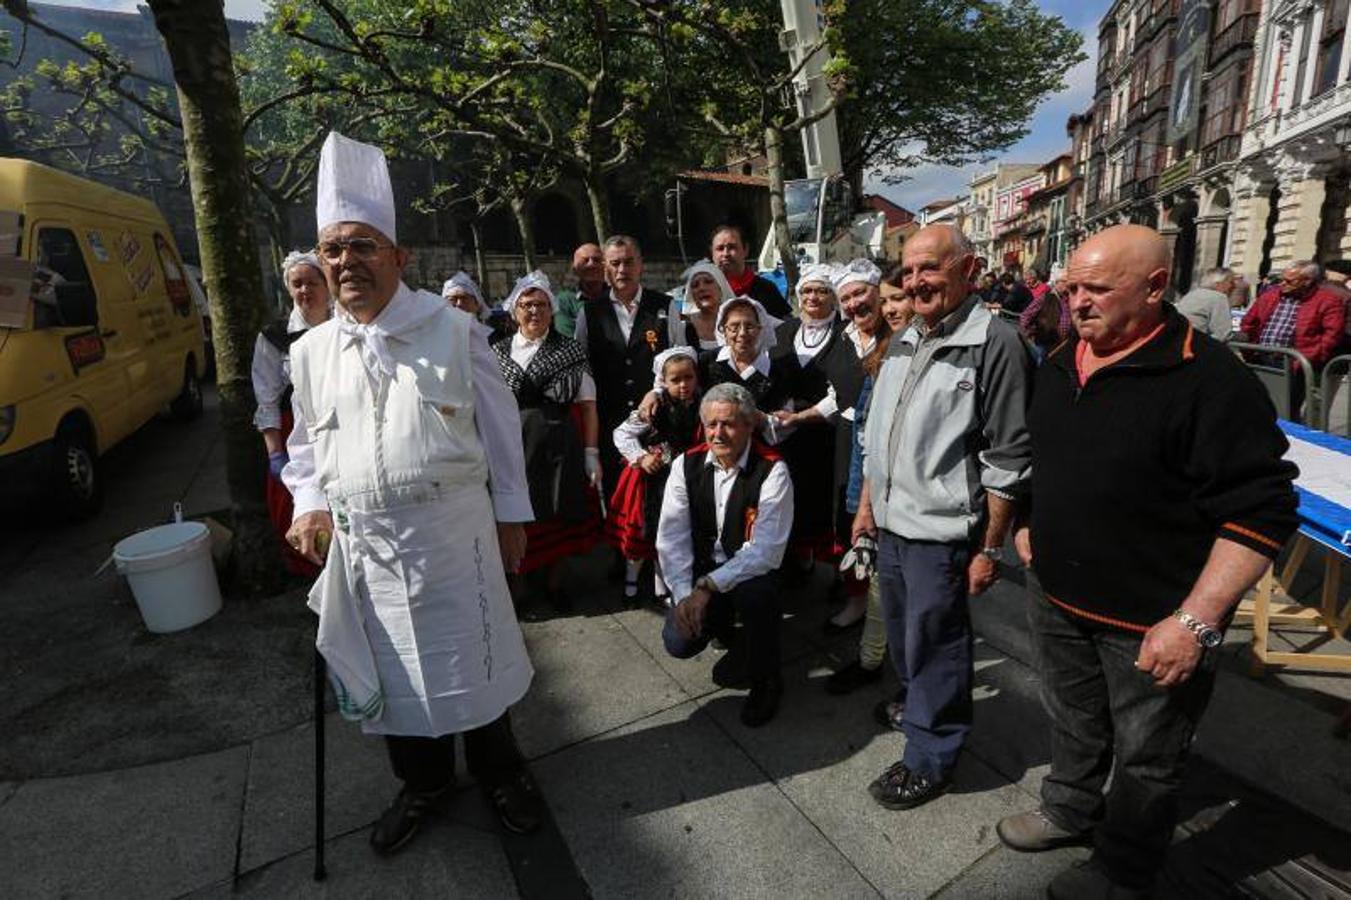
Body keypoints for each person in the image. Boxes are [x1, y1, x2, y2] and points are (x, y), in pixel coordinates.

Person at [997, 224, 1298, 899]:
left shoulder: (1208, 377)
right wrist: (1025, 522)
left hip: (1148, 618)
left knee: (1147, 757)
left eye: (1096, 289)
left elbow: (1261, 509)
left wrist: (1195, 621)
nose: (1075, 302)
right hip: (1057, 593)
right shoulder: (1058, 360)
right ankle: (1070, 809)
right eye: (1071, 287)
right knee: (1072, 718)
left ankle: (1124, 870)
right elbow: (1046, 459)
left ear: (1156, 287)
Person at [282, 132, 541, 855]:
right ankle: (423, 782)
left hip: (453, 537)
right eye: (332, 249)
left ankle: (501, 773)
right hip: (366, 548)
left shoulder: (455, 332)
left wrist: (512, 516)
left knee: (475, 664)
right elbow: (304, 447)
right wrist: (308, 504)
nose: (345, 262)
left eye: (362, 246)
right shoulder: (307, 352)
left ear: (399, 257)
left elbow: (500, 435)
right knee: (396, 681)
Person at [853, 223, 1032, 810]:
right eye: (908, 271)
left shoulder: (994, 342)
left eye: (930, 268)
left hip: (942, 534)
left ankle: (930, 758)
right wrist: (866, 509)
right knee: (908, 640)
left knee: (937, 644)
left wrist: (990, 548)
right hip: (894, 525)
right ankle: (918, 706)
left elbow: (1009, 455)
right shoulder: (906, 335)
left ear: (969, 270)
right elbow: (877, 436)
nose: (915, 281)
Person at [657, 381, 795, 727]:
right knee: (678, 641)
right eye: (711, 424)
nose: (718, 434)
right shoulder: (685, 465)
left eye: (729, 424)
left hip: (750, 571)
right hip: (704, 573)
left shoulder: (772, 469)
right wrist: (685, 597)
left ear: (749, 425)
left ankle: (767, 679)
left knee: (756, 595)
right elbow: (671, 538)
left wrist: (707, 588)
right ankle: (726, 629)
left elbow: (765, 550)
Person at [492, 271, 602, 611]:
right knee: (517, 514)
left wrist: (591, 453)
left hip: (558, 441)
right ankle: (519, 584)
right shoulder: (496, 351)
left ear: (552, 310)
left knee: (558, 514)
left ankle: (556, 584)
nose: (534, 311)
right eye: (526, 305)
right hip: (512, 444)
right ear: (514, 312)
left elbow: (587, 406)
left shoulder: (568, 349)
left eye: (541, 304)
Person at [826, 290, 912, 695]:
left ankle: (903, 675)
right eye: (891, 299)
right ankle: (871, 658)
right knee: (878, 577)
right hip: (877, 486)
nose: (894, 308)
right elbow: (871, 436)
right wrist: (864, 504)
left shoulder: (916, 353)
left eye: (901, 299)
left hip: (913, 496)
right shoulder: (885, 355)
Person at [574, 235, 685, 501]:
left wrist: (657, 391)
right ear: (605, 268)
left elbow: (678, 358)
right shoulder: (589, 313)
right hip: (609, 423)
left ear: (640, 265)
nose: (622, 270)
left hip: (658, 422)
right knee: (617, 499)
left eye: (628, 262)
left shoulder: (664, 306)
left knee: (663, 497)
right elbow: (582, 368)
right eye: (615, 263)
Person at [252, 250, 332, 577]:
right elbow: (267, 400)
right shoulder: (274, 337)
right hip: (293, 435)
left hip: (339, 428)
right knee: (298, 514)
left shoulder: (346, 327)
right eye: (297, 284)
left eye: (312, 282)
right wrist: (275, 454)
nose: (304, 291)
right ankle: (315, 577)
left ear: (327, 286)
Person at [766, 264, 847, 572]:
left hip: (825, 432)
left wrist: (801, 416)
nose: (814, 297)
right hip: (784, 433)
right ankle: (794, 560)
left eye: (822, 291)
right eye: (807, 291)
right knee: (788, 495)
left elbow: (844, 389)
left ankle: (829, 564)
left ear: (834, 297)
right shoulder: (783, 331)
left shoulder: (844, 333)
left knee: (822, 499)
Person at [608, 346, 703, 604]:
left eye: (688, 378)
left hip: (685, 478)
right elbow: (622, 433)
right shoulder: (654, 407)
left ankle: (664, 586)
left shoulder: (701, 404)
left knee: (674, 533)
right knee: (644, 532)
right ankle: (631, 581)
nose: (683, 385)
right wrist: (641, 457)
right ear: (663, 381)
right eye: (675, 380)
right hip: (652, 479)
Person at [699, 296, 790, 414]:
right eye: (734, 327)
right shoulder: (706, 362)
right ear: (724, 331)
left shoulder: (778, 371)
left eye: (749, 326)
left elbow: (783, 419)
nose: (742, 333)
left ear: (759, 329)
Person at [710, 224, 793, 318]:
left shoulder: (766, 290)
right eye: (720, 249)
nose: (725, 253)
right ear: (712, 254)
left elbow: (787, 328)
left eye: (732, 247)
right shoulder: (704, 291)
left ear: (745, 250)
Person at [553, 243, 606, 338]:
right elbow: (567, 341)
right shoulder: (565, 301)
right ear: (575, 269)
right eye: (585, 260)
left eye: (597, 260)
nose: (591, 264)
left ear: (605, 266)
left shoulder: (616, 296)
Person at [679, 259, 735, 350]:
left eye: (708, 282)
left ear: (721, 288)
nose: (701, 288)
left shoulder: (738, 321)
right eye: (695, 285)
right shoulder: (683, 327)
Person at [1175, 267, 1236, 338]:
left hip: (1177, 339)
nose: (1234, 286)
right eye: (1231, 282)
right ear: (1218, 283)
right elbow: (1223, 334)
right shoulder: (1219, 297)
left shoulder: (1192, 293)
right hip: (1195, 343)